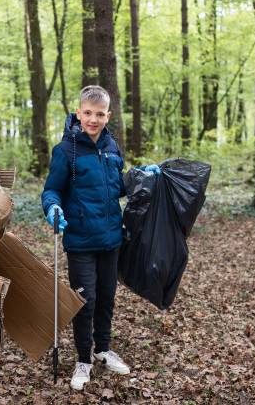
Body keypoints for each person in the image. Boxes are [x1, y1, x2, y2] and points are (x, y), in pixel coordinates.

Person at [41, 85, 159, 390]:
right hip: (81, 241)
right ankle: (84, 359)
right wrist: (52, 207)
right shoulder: (65, 151)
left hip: (111, 238)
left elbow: (116, 187)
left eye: (100, 114)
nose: (93, 119)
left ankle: (103, 349)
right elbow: (52, 189)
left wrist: (142, 176)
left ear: (108, 115)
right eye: (88, 113)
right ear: (78, 113)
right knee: (85, 301)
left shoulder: (112, 147)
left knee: (106, 298)